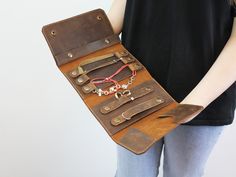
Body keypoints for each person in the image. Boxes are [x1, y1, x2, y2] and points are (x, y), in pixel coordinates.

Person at [107, 0, 236, 177]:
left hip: (202, 91)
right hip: (135, 89)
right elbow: (121, 11)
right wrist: (85, 38)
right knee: (131, 173)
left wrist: (193, 104)